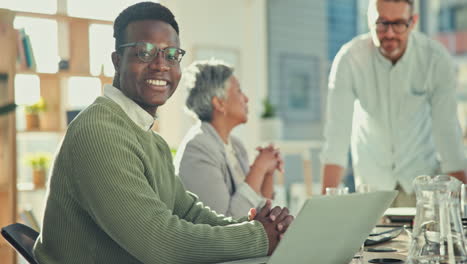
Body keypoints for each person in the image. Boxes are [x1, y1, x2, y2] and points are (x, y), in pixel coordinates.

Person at [33, 2, 293, 263]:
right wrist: (258, 236)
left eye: (171, 55)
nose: (161, 65)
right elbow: (160, 243)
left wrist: (252, 227)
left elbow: (188, 212)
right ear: (117, 60)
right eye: (144, 52)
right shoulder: (99, 133)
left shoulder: (150, 138)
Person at [321, 0, 467, 206]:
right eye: (381, 23)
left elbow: (448, 134)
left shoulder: (435, 59)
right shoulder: (349, 59)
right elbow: (337, 136)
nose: (389, 34)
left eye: (398, 24)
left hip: (422, 184)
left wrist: (462, 207)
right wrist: (326, 205)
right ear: (369, 20)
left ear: (413, 21)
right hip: (372, 185)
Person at [174, 60, 283, 218]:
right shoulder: (197, 148)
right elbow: (227, 223)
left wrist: (267, 172)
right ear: (219, 103)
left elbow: (260, 212)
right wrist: (259, 167)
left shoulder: (236, 147)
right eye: (239, 91)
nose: (246, 98)